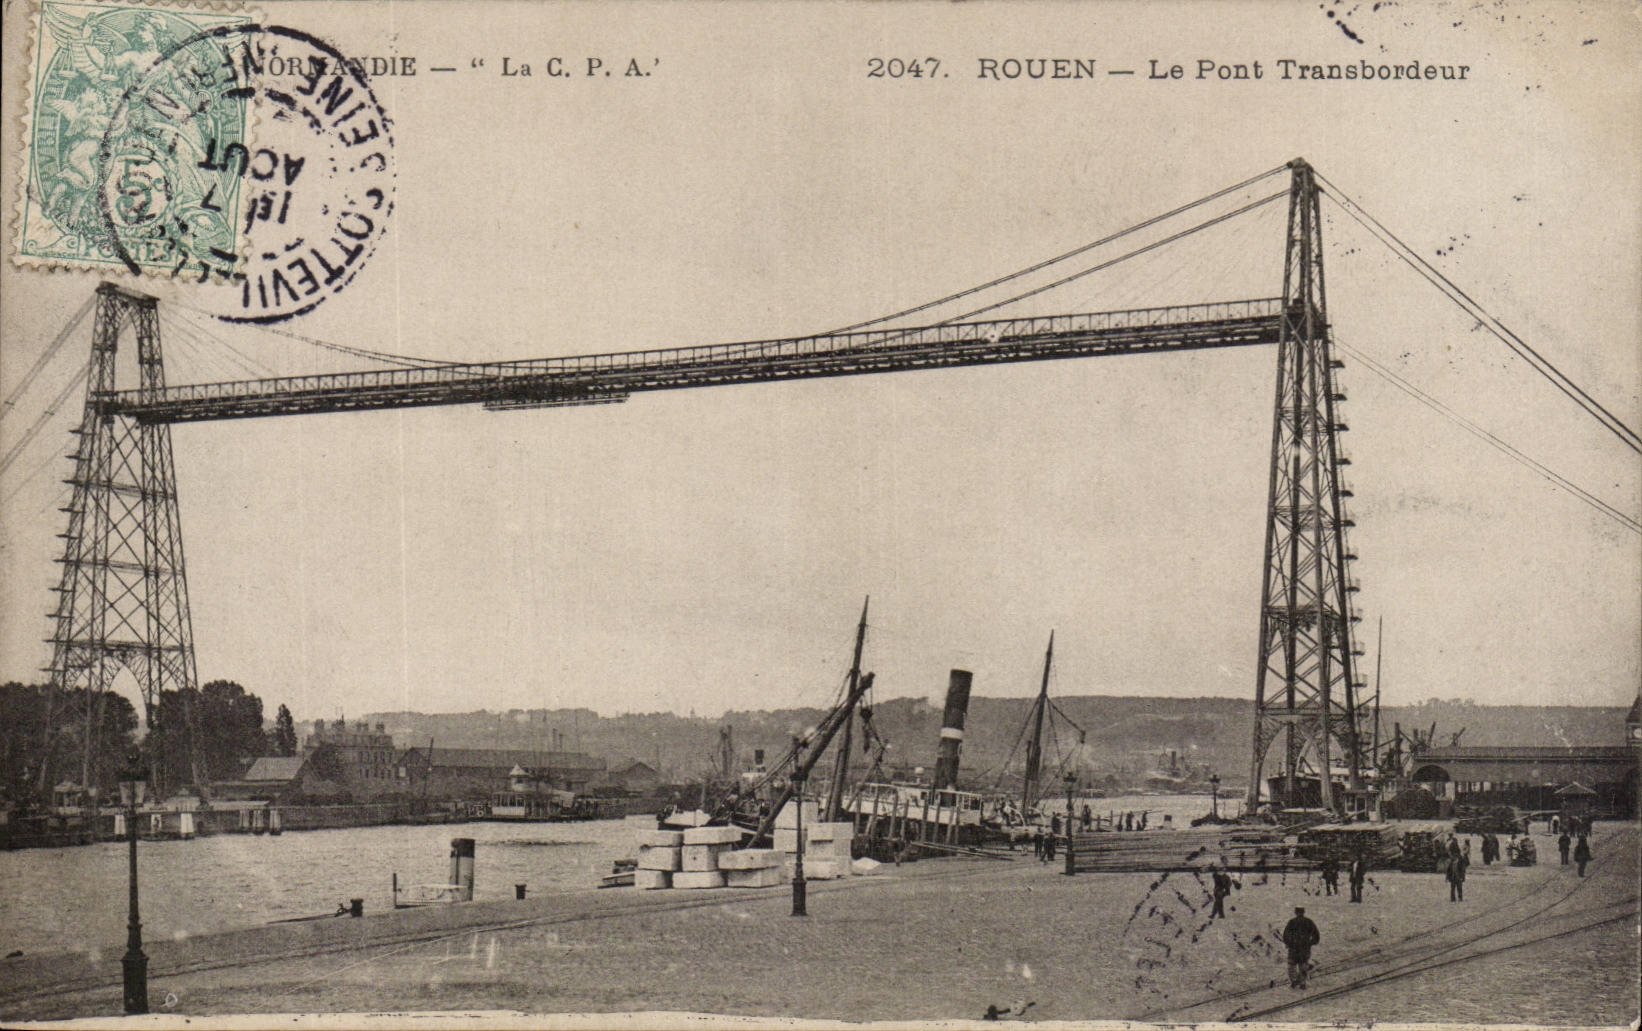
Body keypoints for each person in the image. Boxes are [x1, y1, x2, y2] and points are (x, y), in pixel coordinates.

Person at [1282, 906, 1321, 988]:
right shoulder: (1308, 922)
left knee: (1292, 966)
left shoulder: (1292, 922)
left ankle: (1295, 981)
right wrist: (1310, 943)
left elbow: (1285, 935)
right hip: (1303, 948)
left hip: (1294, 948)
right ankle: (1301, 982)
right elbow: (1316, 935)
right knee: (1302, 965)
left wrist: (1289, 943)